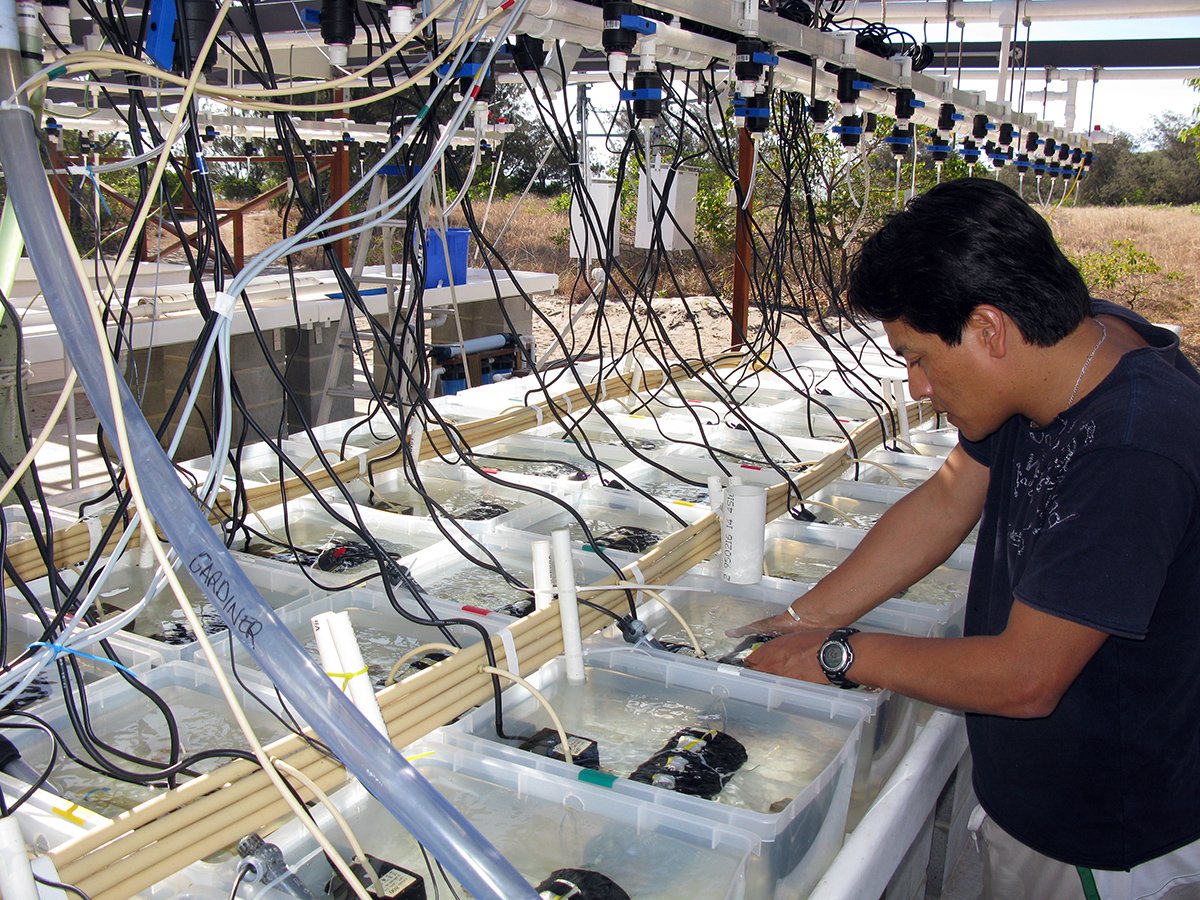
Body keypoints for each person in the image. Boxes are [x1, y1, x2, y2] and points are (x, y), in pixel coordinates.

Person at [729, 178, 1200, 899]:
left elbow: (1025, 678)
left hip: (1101, 835)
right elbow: (945, 501)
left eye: (917, 357)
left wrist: (837, 656)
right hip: (1030, 793)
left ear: (988, 330)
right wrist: (796, 620)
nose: (916, 387)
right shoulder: (1064, 351)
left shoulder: (1134, 448)